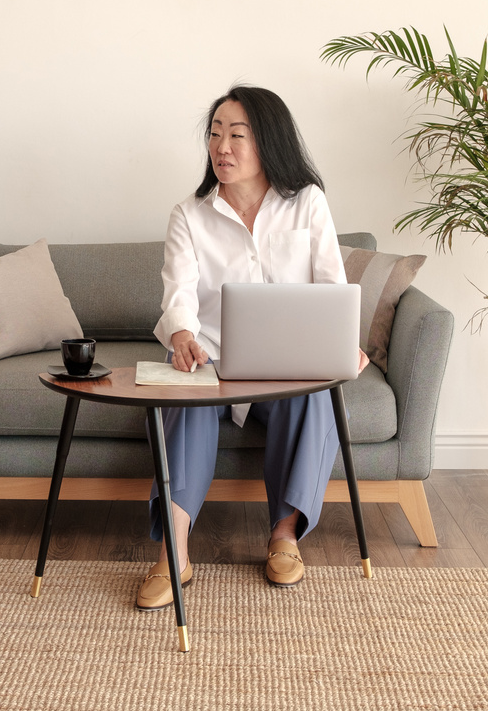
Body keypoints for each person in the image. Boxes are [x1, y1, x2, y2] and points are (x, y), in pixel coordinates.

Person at [138, 84, 366, 611]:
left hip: (288, 365)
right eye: (215, 134)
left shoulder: (306, 203)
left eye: (236, 135)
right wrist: (182, 337)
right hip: (214, 362)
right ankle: (174, 551)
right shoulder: (189, 214)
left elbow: (332, 288)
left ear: (268, 141)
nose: (222, 146)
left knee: (314, 393)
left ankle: (284, 537)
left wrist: (340, 344)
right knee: (190, 394)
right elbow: (178, 293)